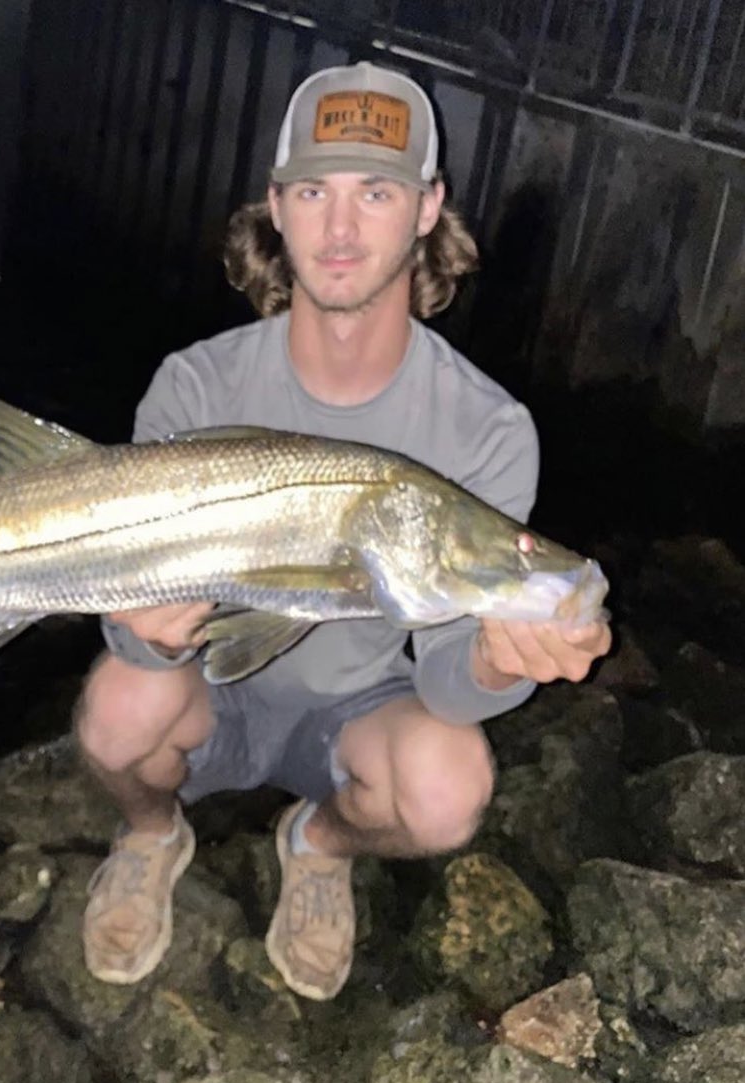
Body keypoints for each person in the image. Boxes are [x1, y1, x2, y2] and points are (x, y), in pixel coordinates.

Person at [75, 60, 611, 1002]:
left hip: (357, 713)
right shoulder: (194, 386)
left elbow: (449, 682)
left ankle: (317, 845)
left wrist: (500, 661)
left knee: (448, 790)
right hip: (210, 694)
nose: (341, 225)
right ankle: (152, 831)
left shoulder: (488, 429)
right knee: (118, 706)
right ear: (276, 207)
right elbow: (133, 614)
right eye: (315, 190)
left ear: (426, 208)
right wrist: (134, 623)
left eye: (377, 191)